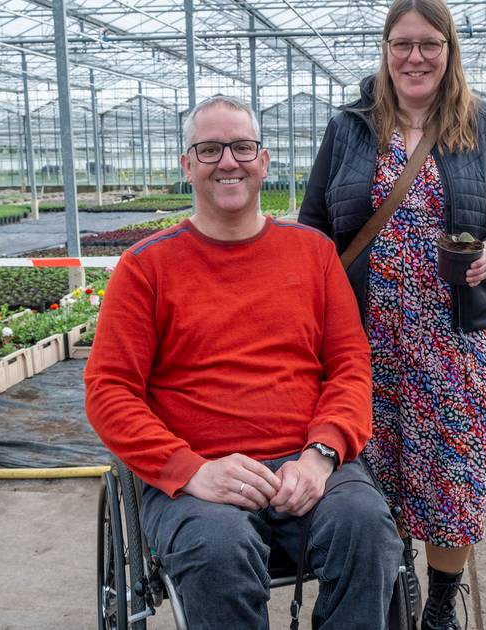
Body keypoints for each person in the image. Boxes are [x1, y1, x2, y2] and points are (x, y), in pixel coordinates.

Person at [86, 95, 403, 630]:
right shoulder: (146, 267)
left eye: (241, 147)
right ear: (187, 165)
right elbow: (108, 390)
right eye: (209, 149)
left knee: (366, 528)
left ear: (264, 160)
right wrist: (191, 471)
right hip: (200, 477)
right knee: (218, 549)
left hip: (305, 461)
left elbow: (350, 365)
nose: (227, 161)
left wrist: (321, 456)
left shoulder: (312, 253)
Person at [298, 1, 486, 628]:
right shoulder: (350, 128)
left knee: (448, 476)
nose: (415, 57)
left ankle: (437, 605)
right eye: (402, 44)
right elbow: (315, 223)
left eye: (429, 44)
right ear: (385, 50)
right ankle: (390, 584)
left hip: (457, 338)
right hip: (368, 336)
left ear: (449, 50)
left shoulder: (485, 126)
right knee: (377, 471)